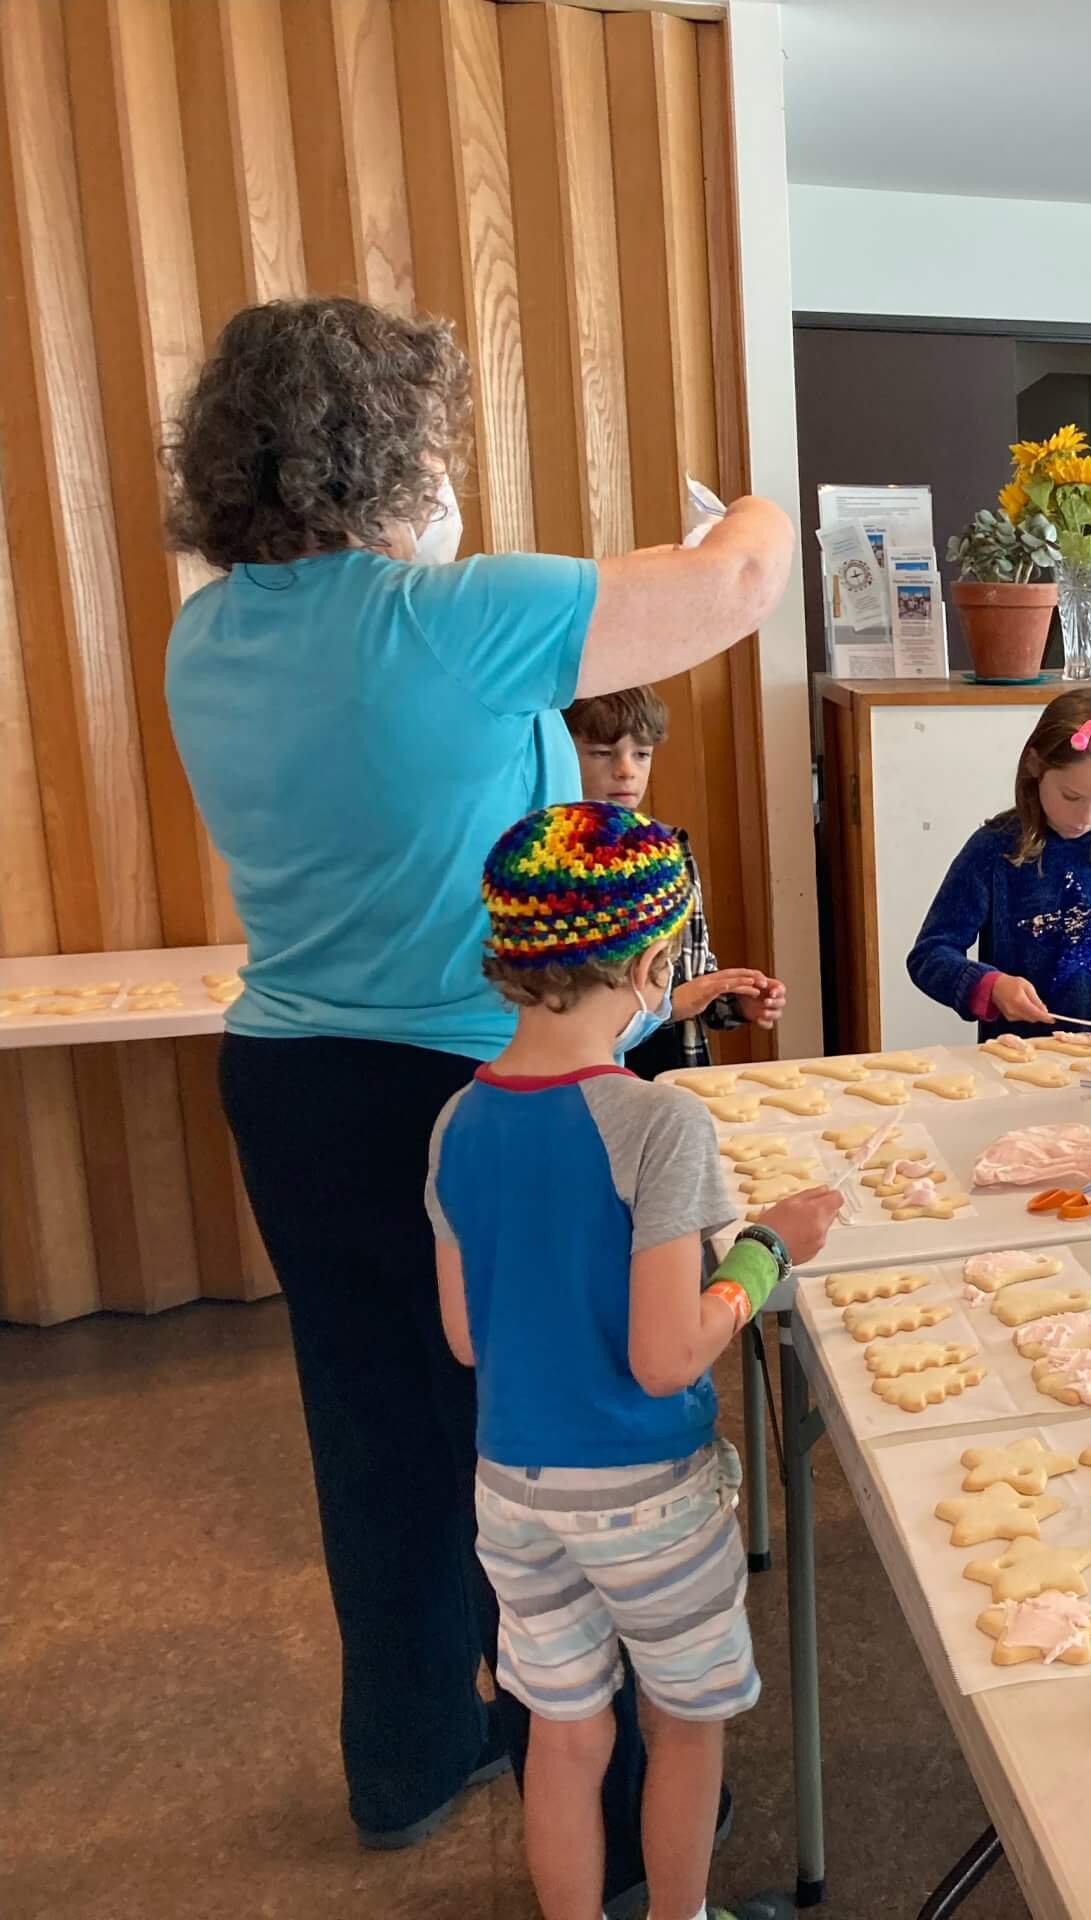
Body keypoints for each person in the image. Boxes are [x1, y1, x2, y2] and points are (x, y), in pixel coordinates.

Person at [163, 295, 792, 1887]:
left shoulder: (207, 631)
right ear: (383, 454)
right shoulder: (444, 619)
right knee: (563, 1427)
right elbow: (736, 585)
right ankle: (624, 1805)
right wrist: (751, 507)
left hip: (291, 1083)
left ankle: (408, 1756)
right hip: (482, 1082)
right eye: (432, 439)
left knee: (371, 1423)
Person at [431, 803, 840, 1920]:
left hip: (512, 1493)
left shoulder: (455, 1121)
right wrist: (766, 1251)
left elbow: (469, 1339)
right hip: (648, 1497)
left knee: (565, 1734)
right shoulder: (658, 1124)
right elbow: (668, 1357)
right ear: (657, 961)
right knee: (682, 1725)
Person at [908, 688, 1091, 1036]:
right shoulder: (994, 849)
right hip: (1021, 1065)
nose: (1086, 816)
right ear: (1035, 765)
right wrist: (989, 986)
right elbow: (930, 954)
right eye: (1071, 796)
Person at [565, 688, 786, 1076]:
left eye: (642, 754)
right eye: (602, 753)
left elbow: (693, 978)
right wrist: (669, 1006)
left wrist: (733, 1001)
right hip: (593, 1074)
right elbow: (560, 1000)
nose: (625, 770)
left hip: (673, 1069)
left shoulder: (672, 848)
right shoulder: (552, 866)